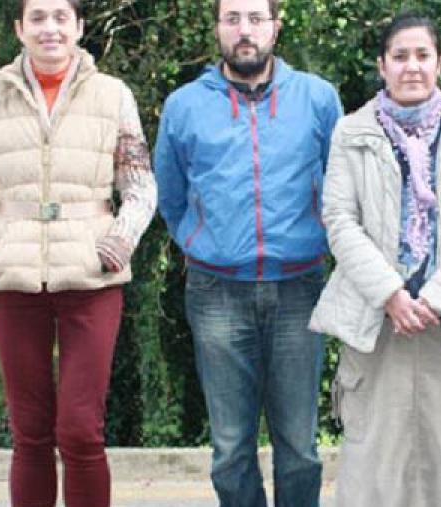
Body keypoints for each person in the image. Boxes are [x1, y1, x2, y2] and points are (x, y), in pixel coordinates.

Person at [0, 0, 156, 505]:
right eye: (37, 17)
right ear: (20, 29)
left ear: (79, 27)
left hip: (92, 276)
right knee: (31, 434)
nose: (50, 29)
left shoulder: (112, 95)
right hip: (12, 278)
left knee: (81, 430)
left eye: (61, 17)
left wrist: (117, 241)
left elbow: (141, 185)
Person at [308, 12, 441, 507]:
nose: (411, 66)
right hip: (376, 323)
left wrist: (436, 298)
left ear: (439, 62)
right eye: (400, 56)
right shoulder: (351, 133)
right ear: (382, 65)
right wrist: (391, 294)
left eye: (422, 55)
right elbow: (339, 219)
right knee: (373, 470)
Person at [153, 0, 342, 505]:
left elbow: (343, 190)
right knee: (231, 447)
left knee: (299, 446)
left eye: (256, 19)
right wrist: (202, 241)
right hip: (216, 291)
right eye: (232, 19)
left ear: (276, 27)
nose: (244, 30)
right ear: (217, 28)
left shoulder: (318, 100)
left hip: (299, 287)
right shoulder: (184, 106)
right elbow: (169, 197)